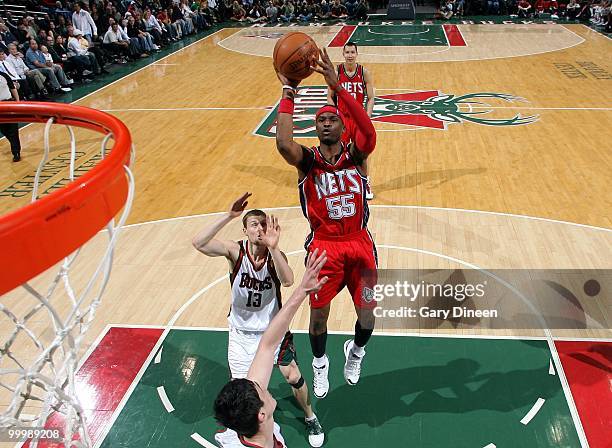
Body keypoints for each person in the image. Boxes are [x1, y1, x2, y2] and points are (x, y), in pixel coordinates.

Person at [275, 48, 377, 400]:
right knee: (319, 318)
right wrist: (288, 93)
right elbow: (283, 143)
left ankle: (356, 352)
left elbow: (369, 133)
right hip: (324, 248)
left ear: (341, 124)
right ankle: (320, 365)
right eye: (321, 120)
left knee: (367, 316)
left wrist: (339, 87)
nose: (327, 123)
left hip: (360, 243)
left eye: (333, 119)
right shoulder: (308, 161)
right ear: (316, 128)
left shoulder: (357, 155)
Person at [193, 193, 324, 447]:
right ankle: (246, 430)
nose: (261, 229)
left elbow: (287, 280)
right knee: (243, 392)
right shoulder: (234, 251)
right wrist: (228, 216)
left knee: (293, 375)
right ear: (245, 230)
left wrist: (274, 248)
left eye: (264, 224)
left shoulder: (276, 255)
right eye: (254, 224)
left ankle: (310, 417)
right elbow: (199, 243)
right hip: (242, 335)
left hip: (271, 332)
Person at [213, 248, 328, 448]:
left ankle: (310, 417)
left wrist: (302, 290)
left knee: (293, 376)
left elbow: (267, 345)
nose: (264, 385)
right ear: (261, 415)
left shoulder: (260, 424)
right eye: (261, 390)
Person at [327, 42, 375, 200]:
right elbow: (330, 97)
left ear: (356, 54)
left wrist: (366, 117)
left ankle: (365, 182)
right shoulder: (337, 71)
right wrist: (334, 116)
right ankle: (339, 184)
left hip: (357, 120)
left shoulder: (364, 72)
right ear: (343, 53)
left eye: (352, 52)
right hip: (342, 120)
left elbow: (371, 97)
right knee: (338, 153)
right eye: (347, 52)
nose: (349, 55)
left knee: (362, 154)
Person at [0, 70, 21, 162]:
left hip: (8, 103)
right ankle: (14, 143)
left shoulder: (3, 75)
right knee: (3, 130)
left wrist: (17, 102)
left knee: (13, 129)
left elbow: (13, 88)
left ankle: (16, 152)